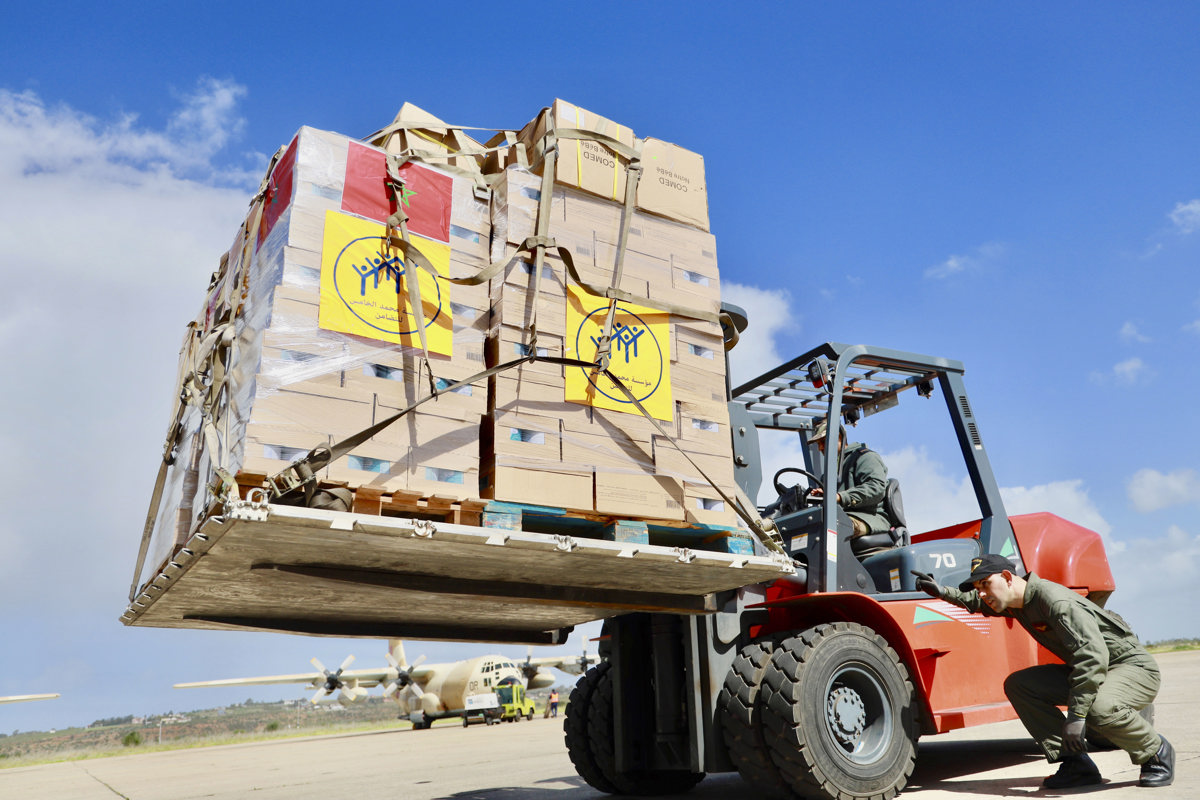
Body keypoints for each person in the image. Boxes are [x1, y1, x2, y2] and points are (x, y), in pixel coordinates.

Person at [912, 555, 1174, 789]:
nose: (981, 593)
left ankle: (1155, 751)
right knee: (1021, 685)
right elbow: (978, 603)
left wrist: (1076, 716)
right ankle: (1075, 764)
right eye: (978, 588)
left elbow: (1092, 659)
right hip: (1099, 669)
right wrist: (942, 592)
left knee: (1097, 708)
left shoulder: (1055, 602)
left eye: (985, 585)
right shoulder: (1017, 600)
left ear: (1006, 577)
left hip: (1132, 668)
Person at [808, 419, 890, 538]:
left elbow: (876, 488)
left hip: (867, 518)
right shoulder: (828, 474)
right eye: (818, 444)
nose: (820, 448)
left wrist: (840, 497)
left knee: (832, 529)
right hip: (840, 517)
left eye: (823, 442)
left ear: (839, 437)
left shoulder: (864, 457)